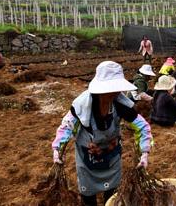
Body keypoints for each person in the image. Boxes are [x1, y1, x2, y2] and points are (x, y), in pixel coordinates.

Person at [51, 61, 153, 206]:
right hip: (88, 158)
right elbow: (67, 127)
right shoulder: (82, 105)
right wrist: (57, 149)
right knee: (88, 194)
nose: (116, 92)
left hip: (112, 156)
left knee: (113, 194)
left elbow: (142, 127)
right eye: (112, 89)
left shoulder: (120, 103)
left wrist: (144, 152)